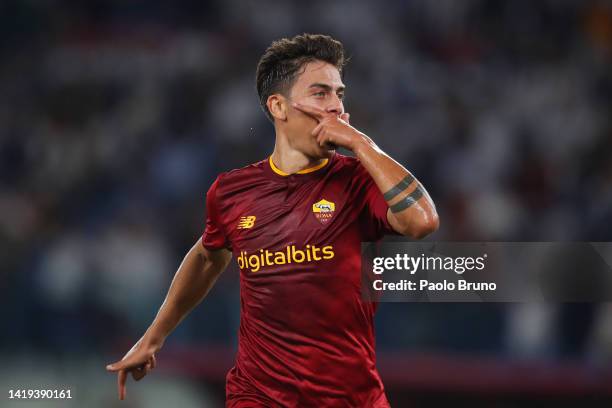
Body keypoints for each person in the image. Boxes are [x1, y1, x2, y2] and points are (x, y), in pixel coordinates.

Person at [106, 33, 439, 407]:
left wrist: (363, 144)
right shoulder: (231, 191)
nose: (336, 107)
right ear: (279, 107)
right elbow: (206, 257)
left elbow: (421, 220)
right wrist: (153, 337)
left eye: (339, 94)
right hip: (259, 396)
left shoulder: (360, 180)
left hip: (352, 397)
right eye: (320, 93)